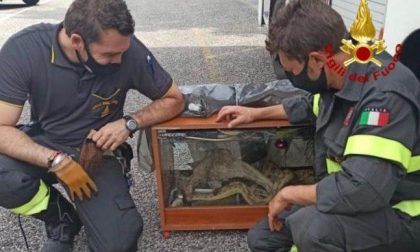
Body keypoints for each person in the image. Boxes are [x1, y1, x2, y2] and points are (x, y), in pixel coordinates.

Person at [217, 0, 420, 251]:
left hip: (401, 212)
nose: (291, 78)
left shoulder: (386, 96)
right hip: (355, 205)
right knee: (264, 237)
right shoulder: (339, 74)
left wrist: (288, 193)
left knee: (314, 230)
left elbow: (363, 190)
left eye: (292, 71)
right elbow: (310, 105)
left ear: (316, 60)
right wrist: (255, 113)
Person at [0, 0, 184, 251]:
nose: (120, 60)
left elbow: (174, 100)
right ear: (77, 41)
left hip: (96, 151)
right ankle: (61, 220)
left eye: (123, 51)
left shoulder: (127, 50)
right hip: (47, 142)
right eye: (109, 55)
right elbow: (1, 127)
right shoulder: (24, 50)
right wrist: (54, 160)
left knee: (118, 242)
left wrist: (129, 123)